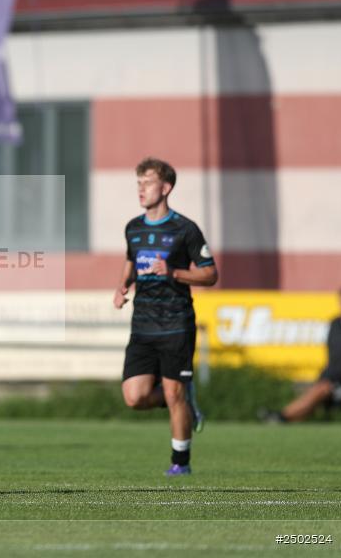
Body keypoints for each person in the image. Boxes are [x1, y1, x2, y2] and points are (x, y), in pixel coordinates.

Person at [112, 158, 218, 476]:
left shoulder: (185, 229)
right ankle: (185, 399)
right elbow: (131, 260)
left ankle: (180, 464)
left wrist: (173, 272)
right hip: (143, 324)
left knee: (173, 392)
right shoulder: (133, 227)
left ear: (166, 187)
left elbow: (210, 274)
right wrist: (122, 286)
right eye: (138, 183)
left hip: (176, 322)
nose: (141, 189)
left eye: (147, 183)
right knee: (135, 396)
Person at [260, 288, 341, 423]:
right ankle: (284, 418)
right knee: (317, 390)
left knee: (320, 390)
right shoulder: (335, 324)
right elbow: (333, 354)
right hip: (331, 377)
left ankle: (282, 417)